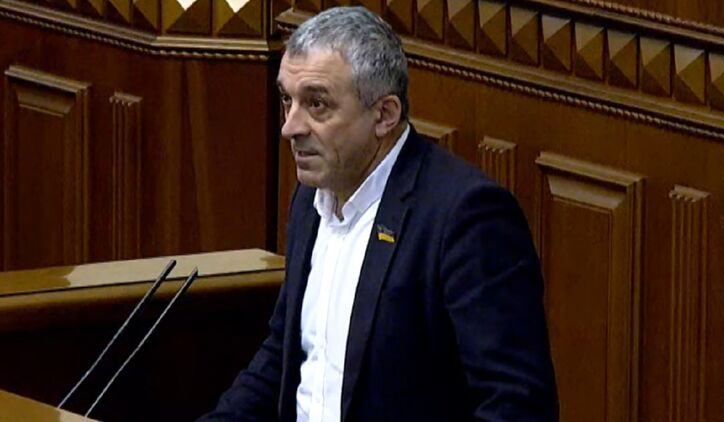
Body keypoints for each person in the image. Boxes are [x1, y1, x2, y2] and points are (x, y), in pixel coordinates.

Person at [199, 6, 557, 422]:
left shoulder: (465, 218)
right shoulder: (312, 197)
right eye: (287, 100)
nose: (290, 127)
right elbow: (285, 355)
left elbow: (517, 406)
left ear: (384, 114)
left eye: (317, 104)